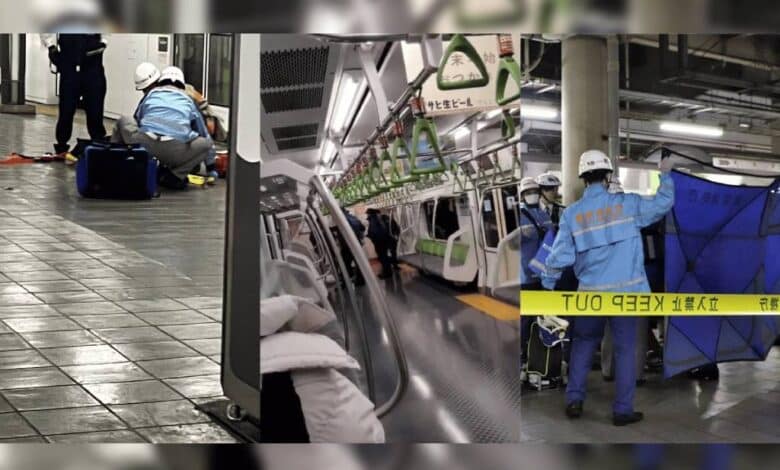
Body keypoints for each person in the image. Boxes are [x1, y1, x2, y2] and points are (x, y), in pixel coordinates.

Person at [541, 149, 675, 426]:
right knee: (626, 350)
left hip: (590, 295)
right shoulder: (628, 204)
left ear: (582, 178)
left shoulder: (572, 214)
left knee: (583, 344)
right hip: (627, 295)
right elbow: (664, 203)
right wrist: (666, 174)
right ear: (608, 175)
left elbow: (561, 256)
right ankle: (622, 411)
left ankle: (574, 400)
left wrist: (548, 283)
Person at [112, 64, 216, 189]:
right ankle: (174, 176)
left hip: (145, 147)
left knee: (124, 120)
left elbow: (137, 121)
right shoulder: (189, 99)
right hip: (175, 152)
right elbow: (204, 134)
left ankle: (116, 161)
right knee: (206, 144)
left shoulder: (150, 95)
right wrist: (211, 169)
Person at [41, 34, 108, 162]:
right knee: (66, 111)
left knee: (95, 111)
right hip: (69, 65)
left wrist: (104, 43)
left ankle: (99, 148)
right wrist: (50, 46)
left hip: (92, 65)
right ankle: (61, 148)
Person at [517, 177, 553, 363]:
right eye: (528, 192)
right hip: (526, 277)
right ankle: (521, 354)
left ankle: (538, 356)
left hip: (544, 276)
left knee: (542, 317)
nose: (532, 195)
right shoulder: (519, 216)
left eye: (534, 192)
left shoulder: (544, 214)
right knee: (526, 319)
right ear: (522, 196)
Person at [339, 207, 366, 286]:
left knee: (344, 264)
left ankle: (346, 282)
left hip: (347, 245)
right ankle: (360, 280)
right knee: (358, 263)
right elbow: (362, 228)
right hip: (357, 243)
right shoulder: (353, 217)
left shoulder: (342, 219)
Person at [366, 208, 393, 279]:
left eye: (367, 213)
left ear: (370, 213)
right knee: (385, 256)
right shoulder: (380, 218)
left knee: (382, 257)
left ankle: (387, 273)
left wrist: (370, 235)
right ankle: (388, 272)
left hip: (379, 242)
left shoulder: (373, 220)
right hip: (384, 241)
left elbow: (374, 231)